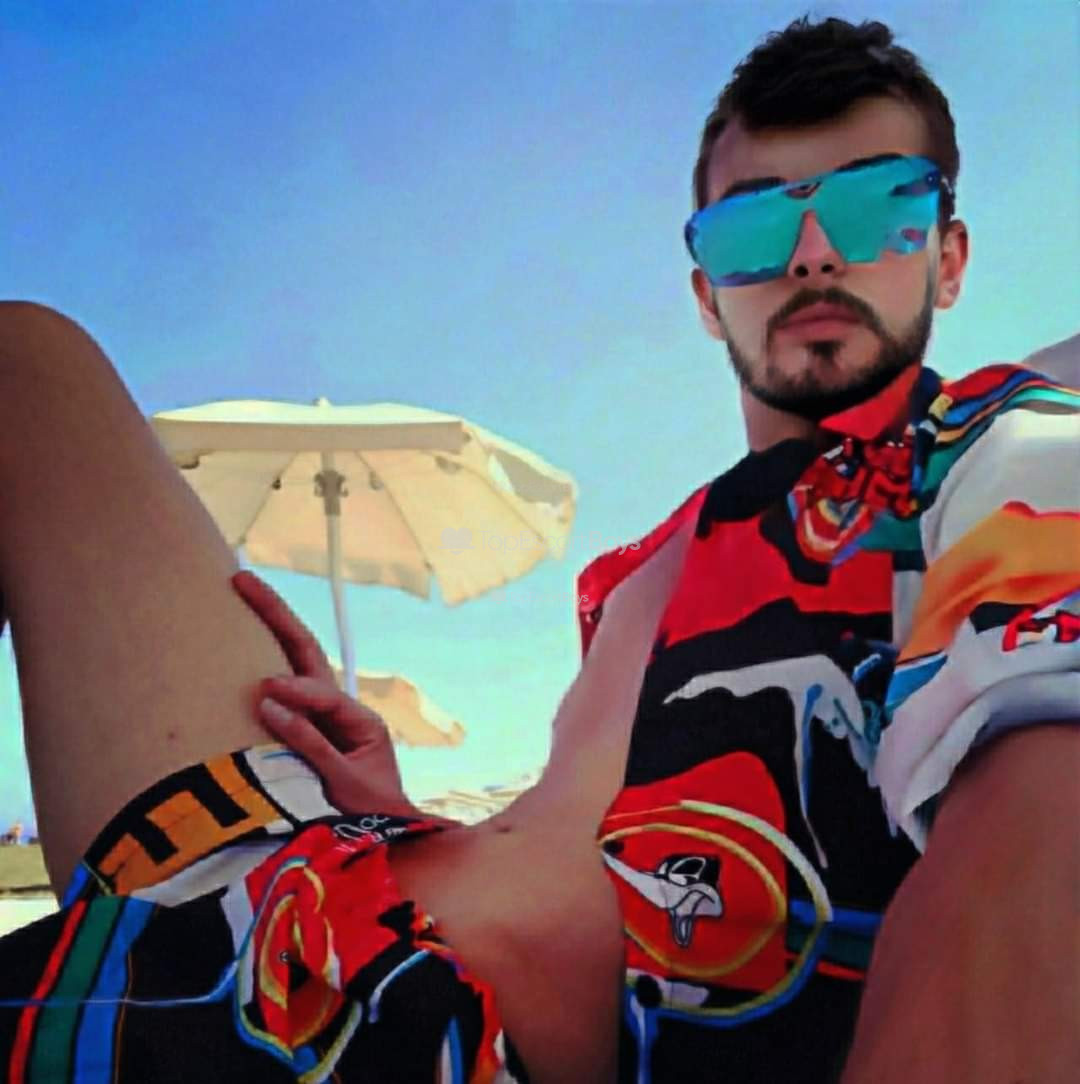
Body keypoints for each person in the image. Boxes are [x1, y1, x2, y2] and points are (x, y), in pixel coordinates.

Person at [1, 13, 1077, 1084]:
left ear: (948, 260)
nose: (811, 253)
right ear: (708, 296)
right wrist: (399, 810)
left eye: (875, 209)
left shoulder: (987, 449)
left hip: (423, 1034)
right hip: (337, 883)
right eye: (754, 226)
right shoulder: (662, 558)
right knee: (27, 370)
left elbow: (1035, 845)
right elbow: (575, 848)